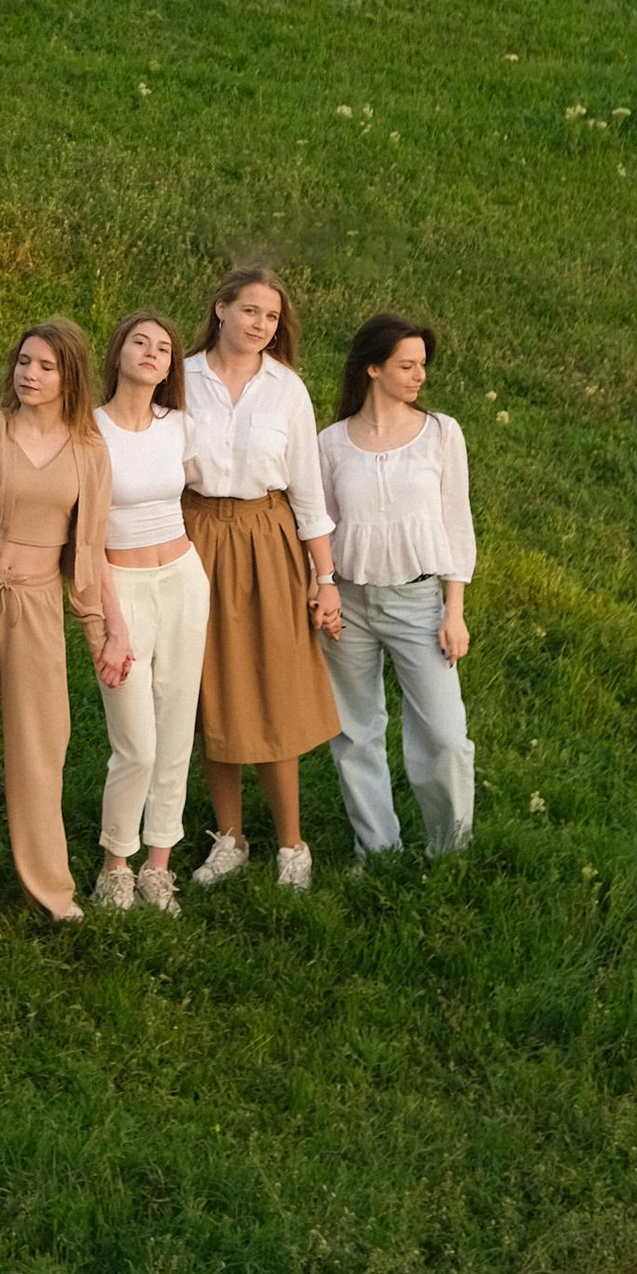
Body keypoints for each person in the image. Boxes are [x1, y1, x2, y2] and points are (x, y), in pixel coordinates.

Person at [0, 324, 130, 942]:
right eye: (23, 362)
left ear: (69, 376)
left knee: (41, 747)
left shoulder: (89, 450)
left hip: (39, 605)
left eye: (45, 366)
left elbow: (89, 547)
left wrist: (99, 630)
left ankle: (50, 887)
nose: (30, 374)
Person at [183, 264, 341, 889]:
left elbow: (308, 489)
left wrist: (324, 577)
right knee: (210, 687)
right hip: (192, 535)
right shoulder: (181, 377)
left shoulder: (287, 389)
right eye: (250, 310)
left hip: (267, 538)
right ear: (221, 308)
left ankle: (292, 845)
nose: (261, 325)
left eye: (271, 317)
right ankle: (229, 839)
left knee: (275, 686)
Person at [320, 315, 476, 859]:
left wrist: (453, 611)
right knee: (356, 733)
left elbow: (457, 524)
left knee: (445, 735)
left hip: (420, 602)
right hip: (350, 604)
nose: (419, 377)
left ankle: (449, 852)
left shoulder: (441, 433)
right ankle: (377, 851)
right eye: (407, 366)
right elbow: (321, 527)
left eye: (422, 366)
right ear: (373, 368)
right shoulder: (331, 443)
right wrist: (323, 590)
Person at [89, 313, 212, 913]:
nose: (152, 353)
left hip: (184, 581)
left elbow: (200, 491)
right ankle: (116, 861)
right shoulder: (88, 431)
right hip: (121, 587)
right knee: (134, 741)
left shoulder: (179, 427)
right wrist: (110, 620)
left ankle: (158, 863)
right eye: (141, 342)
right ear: (118, 354)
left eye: (164, 348)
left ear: (170, 367)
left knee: (175, 728)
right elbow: (86, 539)